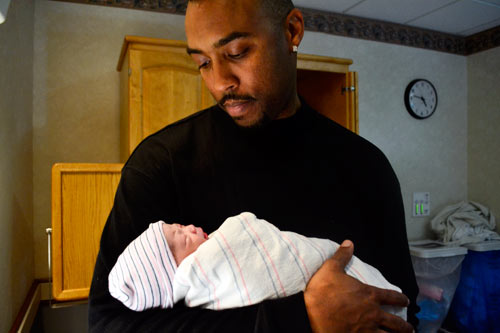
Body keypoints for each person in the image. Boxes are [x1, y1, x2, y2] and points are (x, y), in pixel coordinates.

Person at [88, 0, 419, 331]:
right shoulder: (161, 163)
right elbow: (108, 324)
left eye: (236, 53)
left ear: (292, 30)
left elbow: (404, 308)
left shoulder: (367, 167)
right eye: (202, 63)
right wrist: (301, 320)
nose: (220, 83)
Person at [108, 212, 407, 321]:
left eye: (179, 226)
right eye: (181, 239)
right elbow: (247, 232)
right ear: (173, 272)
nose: (189, 228)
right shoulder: (200, 272)